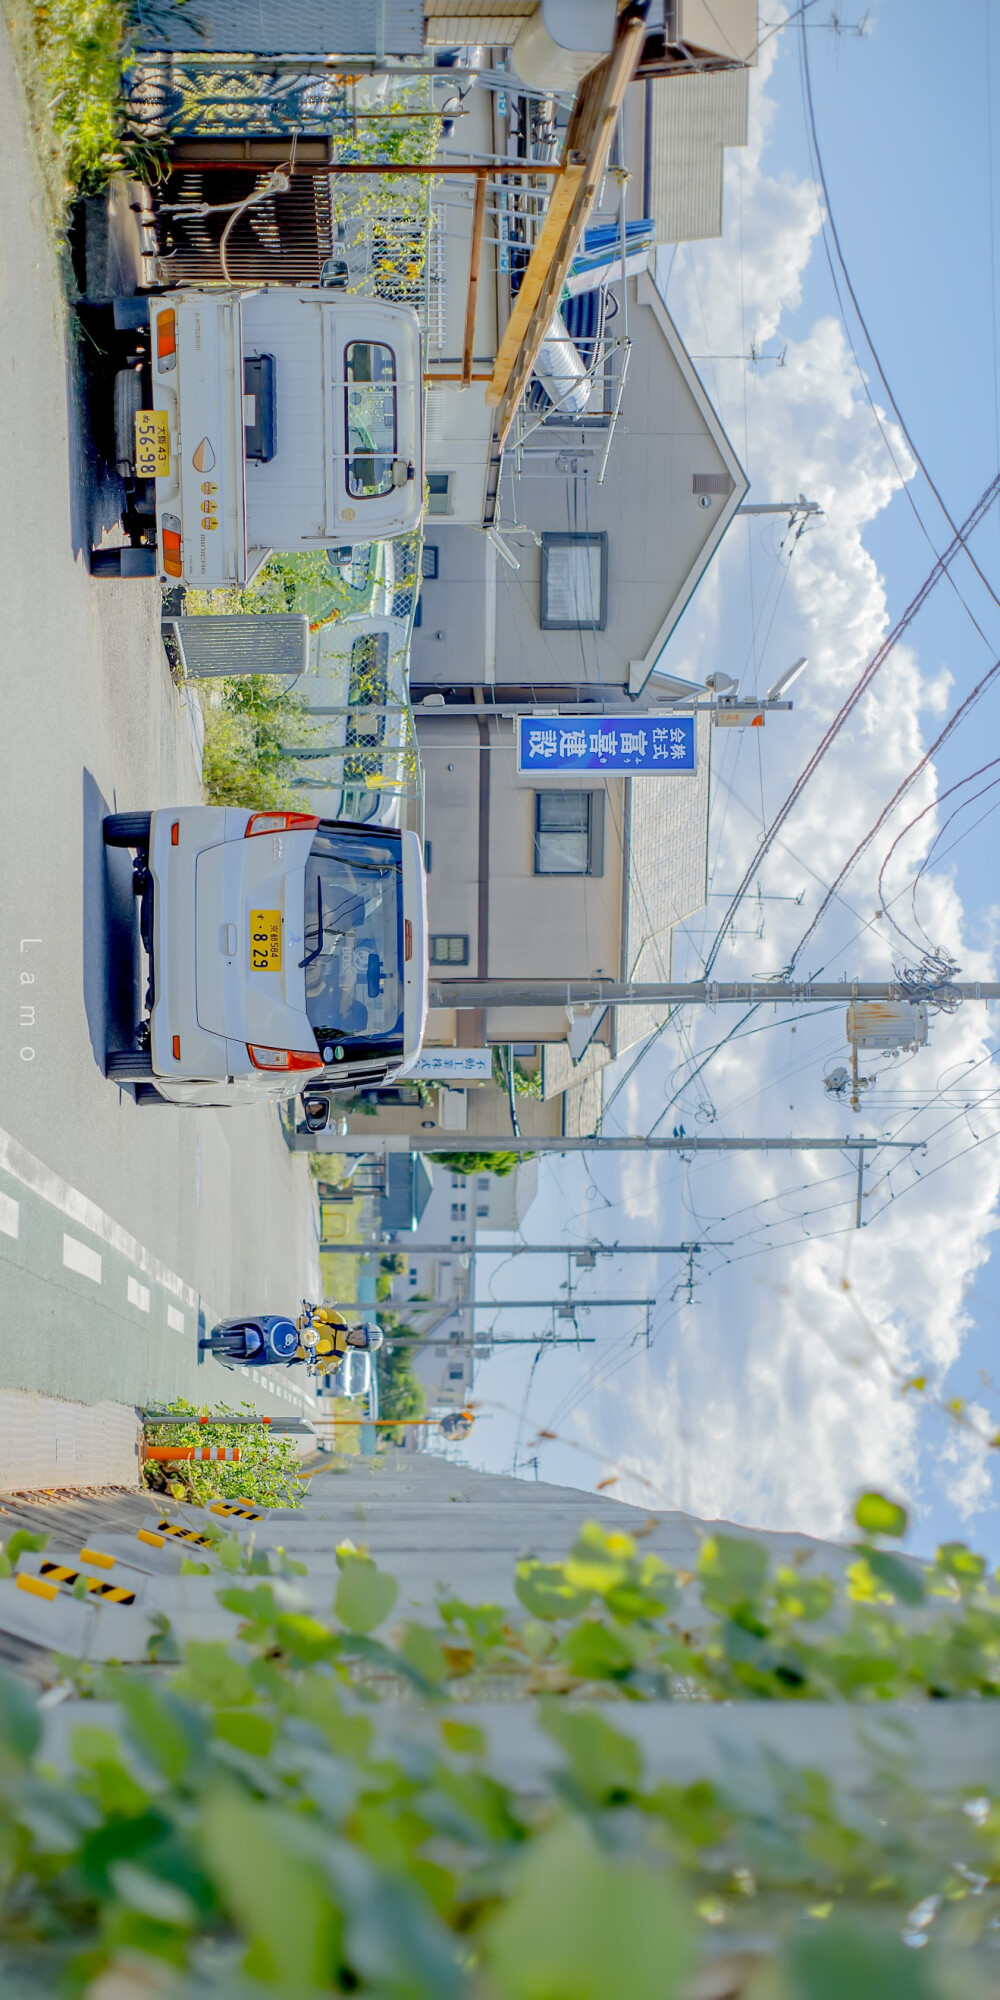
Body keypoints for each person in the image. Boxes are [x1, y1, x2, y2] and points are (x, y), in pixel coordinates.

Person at [295, 1303, 383, 1368]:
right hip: (297, 1326)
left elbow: (325, 1367)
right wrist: (311, 1308)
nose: (359, 1337)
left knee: (283, 1357)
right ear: (360, 1328)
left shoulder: (339, 1355)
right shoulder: (340, 1322)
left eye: (363, 1340)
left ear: (361, 1346)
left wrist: (315, 1369)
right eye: (362, 1333)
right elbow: (325, 1313)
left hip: (296, 1352)